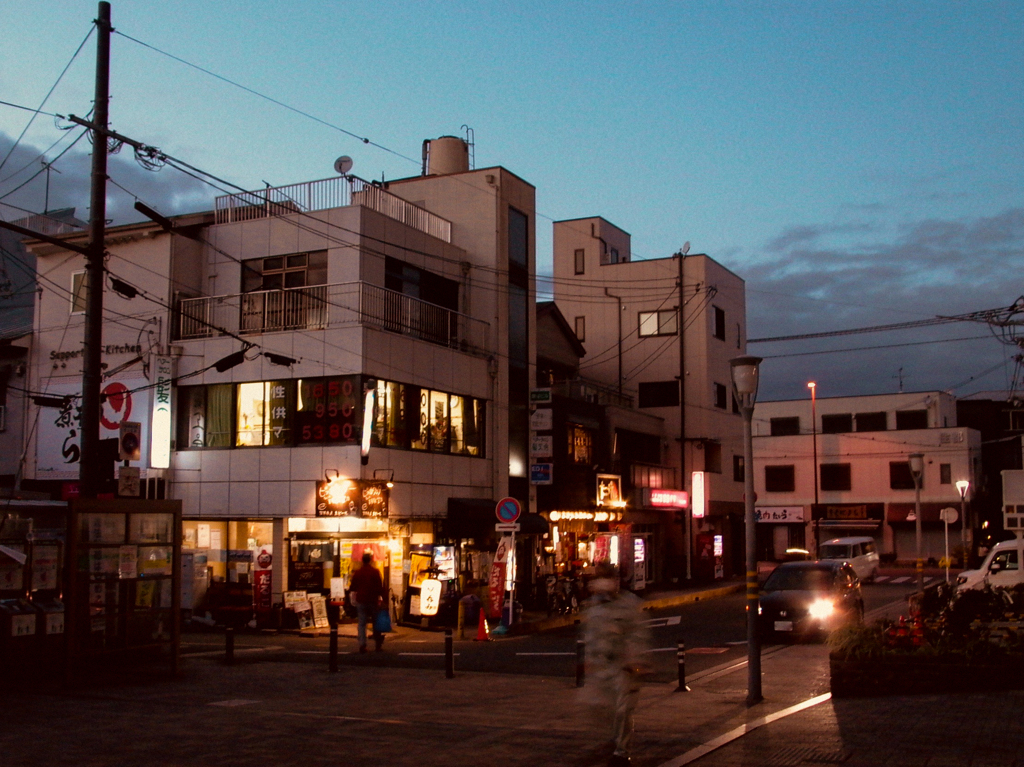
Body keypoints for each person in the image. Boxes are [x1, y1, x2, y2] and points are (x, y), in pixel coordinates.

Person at [581, 562, 651, 767]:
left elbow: (638, 634)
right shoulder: (594, 606)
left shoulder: (629, 604)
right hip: (603, 666)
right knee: (603, 708)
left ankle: (622, 753)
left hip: (625, 666)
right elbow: (590, 634)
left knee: (623, 710)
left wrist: (636, 659)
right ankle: (614, 741)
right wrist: (589, 659)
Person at [349, 550, 385, 652]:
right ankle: (378, 645)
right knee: (375, 622)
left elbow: (353, 587)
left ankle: (362, 645)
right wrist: (383, 599)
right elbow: (380, 587)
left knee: (361, 624)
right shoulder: (375, 572)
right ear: (370, 560)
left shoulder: (358, 572)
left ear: (362, 561)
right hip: (373, 600)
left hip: (361, 600)